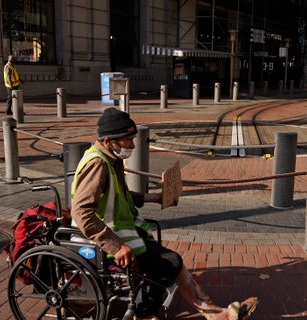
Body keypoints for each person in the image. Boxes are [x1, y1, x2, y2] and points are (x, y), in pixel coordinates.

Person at [70, 108, 258, 320]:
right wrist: (116, 246)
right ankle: (142, 312)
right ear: (108, 141)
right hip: (103, 240)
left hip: (122, 233)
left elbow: (121, 195)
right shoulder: (97, 164)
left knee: (172, 263)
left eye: (133, 139)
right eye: (127, 141)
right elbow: (81, 212)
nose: (132, 145)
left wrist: (157, 197)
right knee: (169, 263)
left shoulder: (110, 158)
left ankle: (216, 315)